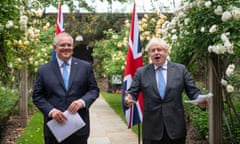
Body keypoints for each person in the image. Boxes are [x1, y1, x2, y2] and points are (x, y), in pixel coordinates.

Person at [125, 37, 207, 144]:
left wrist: (199, 101)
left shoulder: (180, 70)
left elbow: (193, 91)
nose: (156, 53)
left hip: (175, 128)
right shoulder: (141, 73)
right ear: (149, 54)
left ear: (166, 52)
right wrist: (129, 99)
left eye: (159, 50)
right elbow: (132, 93)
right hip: (151, 129)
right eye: (152, 50)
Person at [32, 32, 99, 144]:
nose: (66, 48)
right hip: (54, 129)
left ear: (72, 47)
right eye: (62, 45)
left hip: (79, 129)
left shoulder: (85, 67)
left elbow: (94, 90)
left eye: (69, 45)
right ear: (55, 47)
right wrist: (51, 111)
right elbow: (37, 96)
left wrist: (82, 102)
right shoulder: (44, 70)